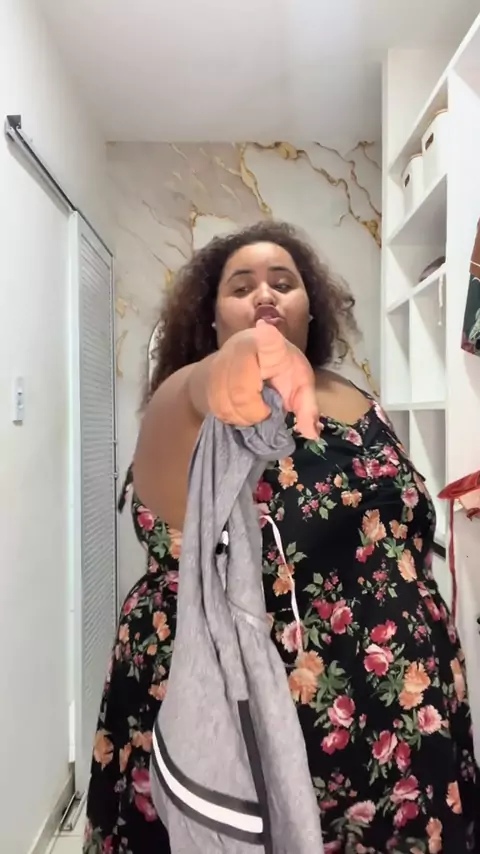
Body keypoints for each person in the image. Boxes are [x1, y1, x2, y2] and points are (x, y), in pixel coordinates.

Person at [83, 221, 478, 854]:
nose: (265, 293)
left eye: (283, 282)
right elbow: (166, 467)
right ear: (212, 318)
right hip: (241, 728)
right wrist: (214, 377)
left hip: (396, 729)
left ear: (310, 307)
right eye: (241, 287)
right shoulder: (196, 404)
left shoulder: (356, 397)